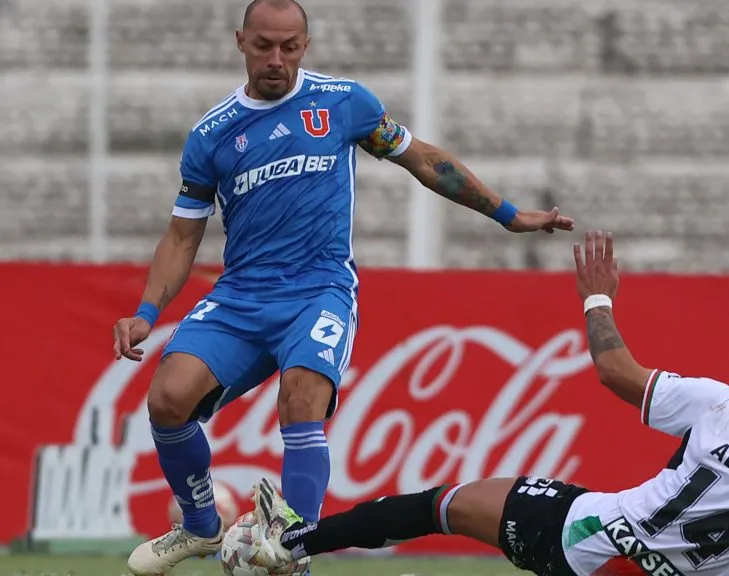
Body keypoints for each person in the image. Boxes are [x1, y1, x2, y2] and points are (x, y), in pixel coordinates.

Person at [112, 1, 574, 574]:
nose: (276, 59)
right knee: (166, 399)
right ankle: (201, 527)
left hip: (319, 288)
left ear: (305, 45)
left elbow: (425, 161)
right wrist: (147, 310)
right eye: (263, 46)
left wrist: (506, 213)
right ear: (240, 42)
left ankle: (292, 554)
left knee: (302, 395)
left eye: (289, 46)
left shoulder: (343, 103)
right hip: (242, 296)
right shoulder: (211, 134)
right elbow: (182, 238)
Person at [245, 230, 729, 576]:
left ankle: (292, 544)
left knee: (441, 505)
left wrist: (597, 296)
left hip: (589, 537)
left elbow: (612, 369)